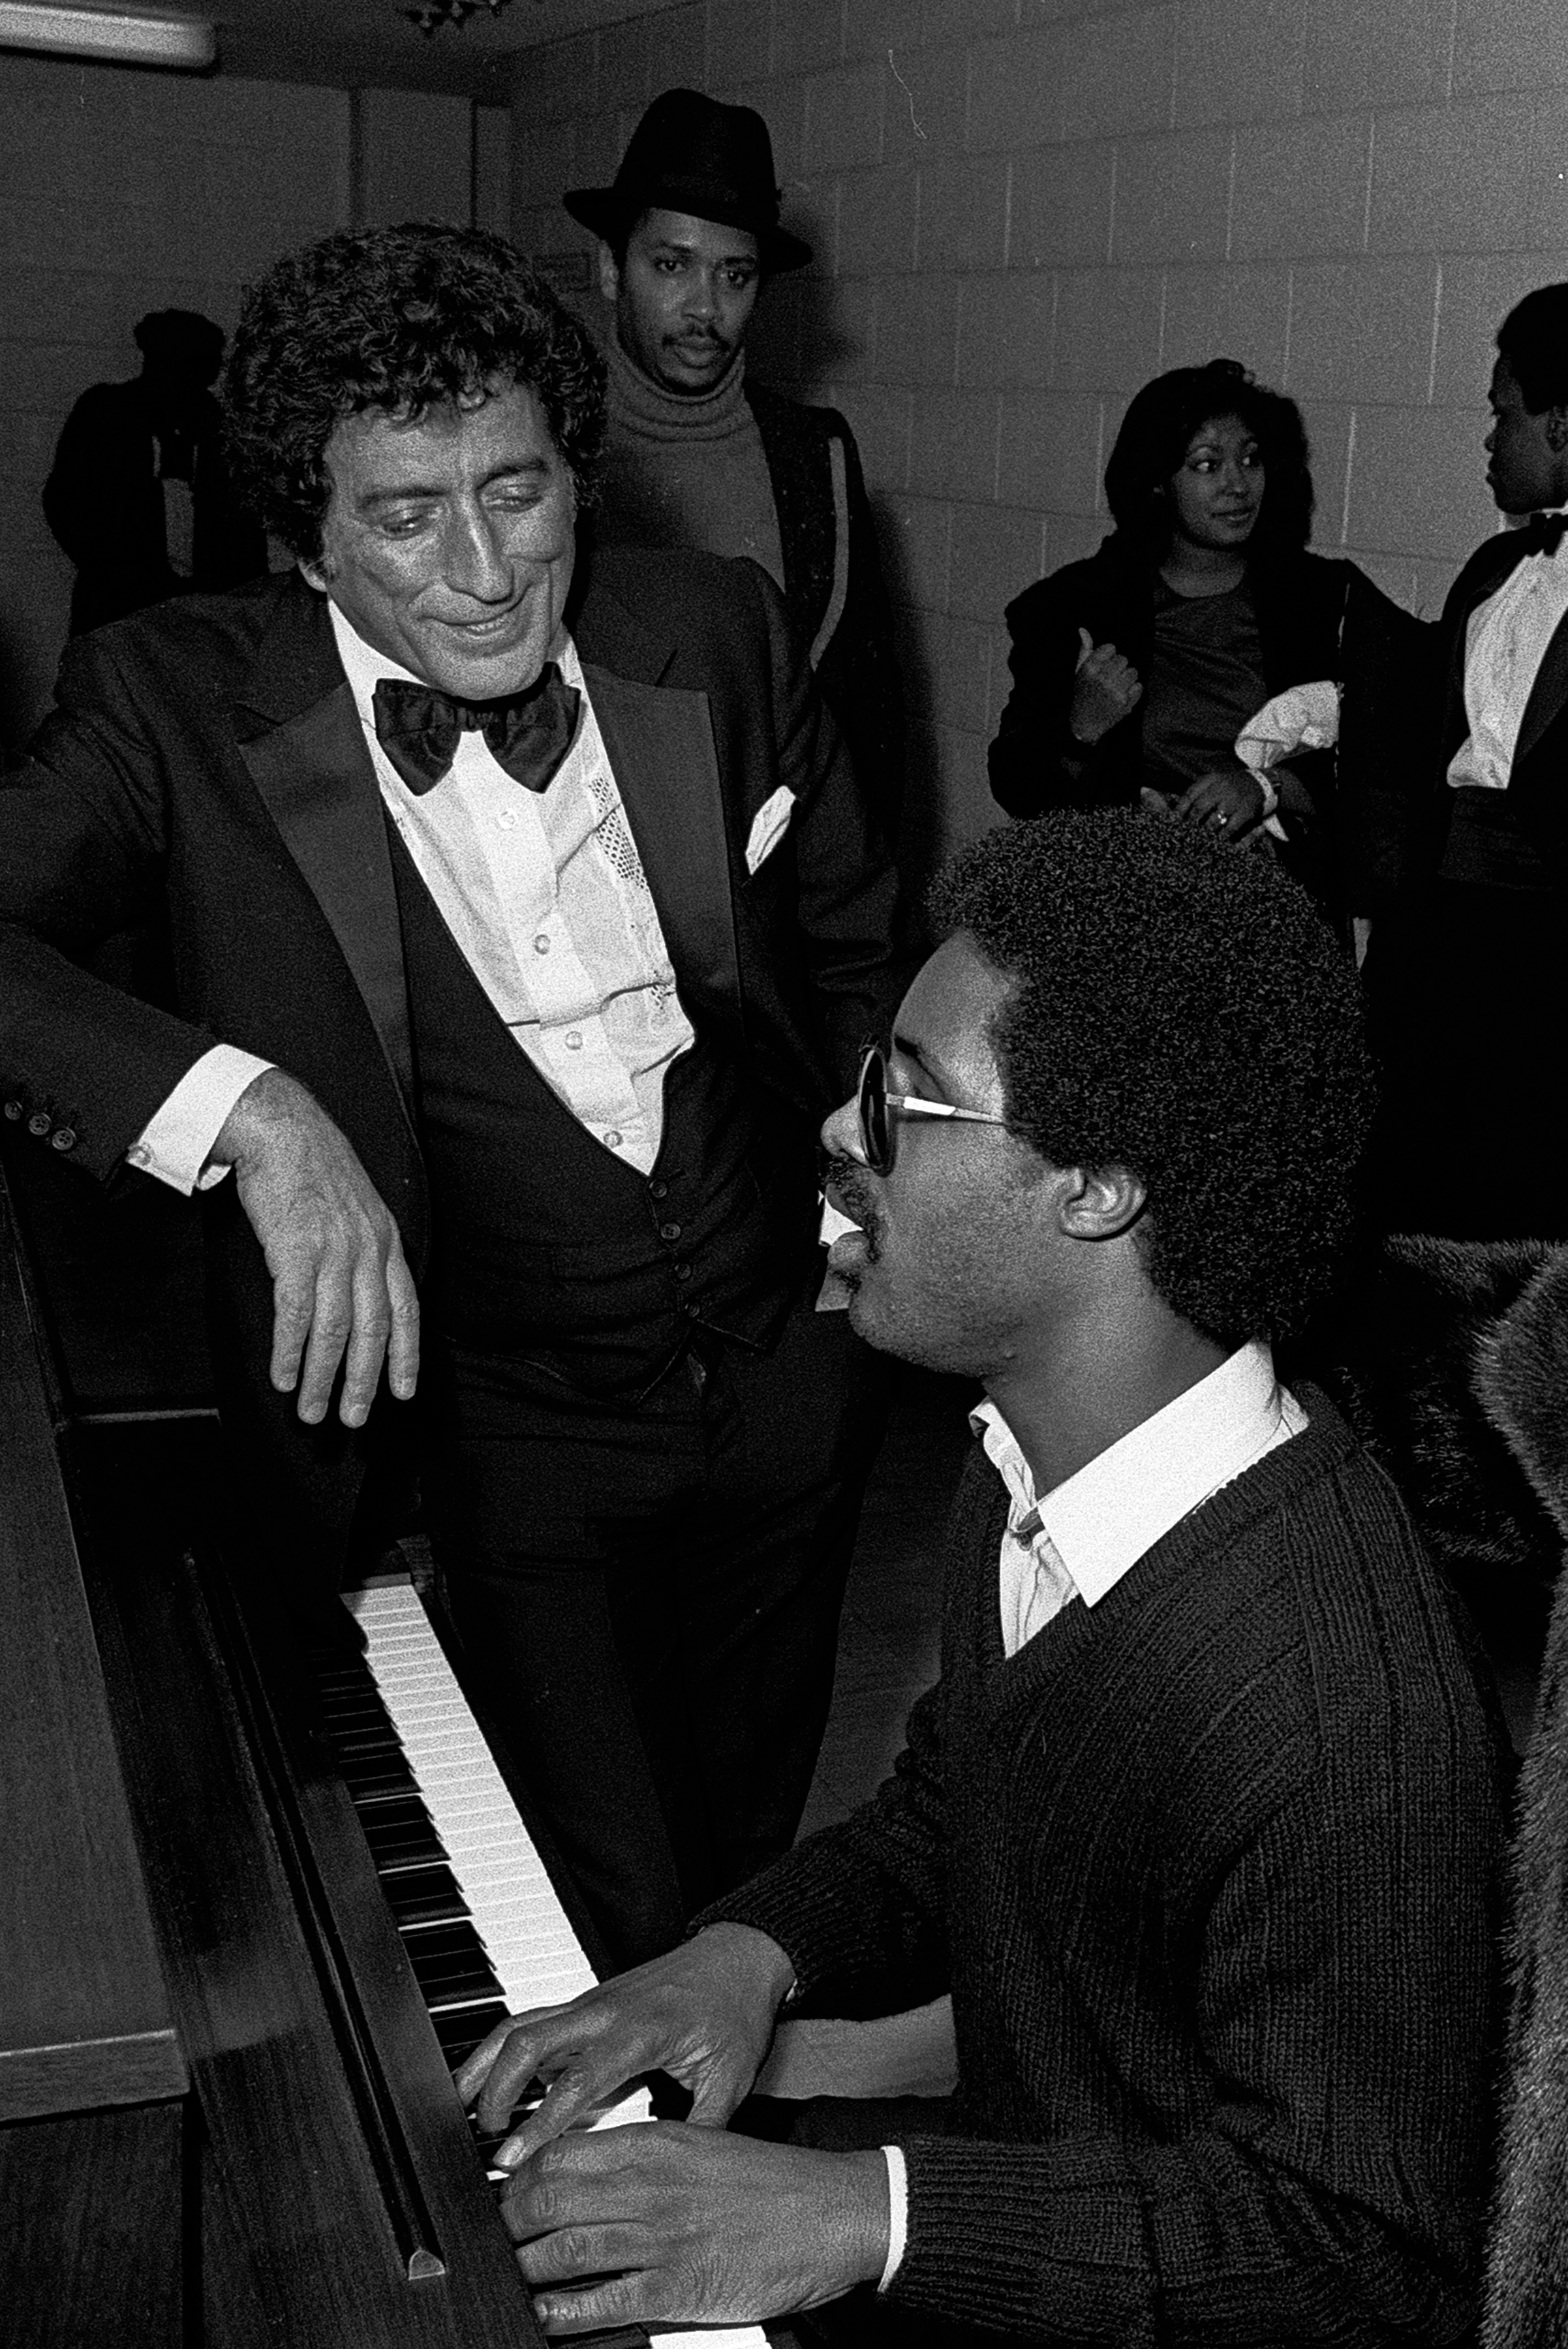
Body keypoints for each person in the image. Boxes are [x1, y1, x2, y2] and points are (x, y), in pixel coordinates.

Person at [0, 223, 900, 1971]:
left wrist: (862, 1201)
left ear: (575, 474)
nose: (484, 570)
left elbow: (851, 947)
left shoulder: (717, 629)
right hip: (509, 1433)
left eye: (517, 492)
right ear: (307, 540)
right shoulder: (174, 701)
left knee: (750, 1864)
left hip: (790, 1369)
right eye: (404, 518)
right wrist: (248, 1110)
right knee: (605, 1908)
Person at [457, 811, 1505, 2347]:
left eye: (907, 1093)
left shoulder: (1339, 1712)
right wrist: (744, 1957)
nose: (841, 1126)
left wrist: (864, 2214)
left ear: (1096, 1188)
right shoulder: (1028, 1458)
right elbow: (962, 1803)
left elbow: (1361, 2255)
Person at [565, 88, 904, 835]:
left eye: (735, 276)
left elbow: (867, 716)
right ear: (612, 269)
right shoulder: (548, 442)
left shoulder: (814, 452)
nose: (704, 308)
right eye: (671, 265)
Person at [989, 360, 1419, 926]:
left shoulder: (1326, 599)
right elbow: (1017, 786)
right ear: (1157, 480)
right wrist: (1081, 731)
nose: (1237, 485)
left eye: (1251, 459)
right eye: (1207, 465)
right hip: (1124, 909)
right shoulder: (1080, 607)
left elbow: (1404, 751)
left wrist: (1267, 789)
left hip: (1277, 912)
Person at [1362, 284, 1568, 1242]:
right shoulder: (1492, 571)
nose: (1490, 440)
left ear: (1561, 423)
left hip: (1545, 963)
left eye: (1503, 412)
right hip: (1437, 950)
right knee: (1409, 1199)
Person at [42, 307, 266, 637]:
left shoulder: (222, 427)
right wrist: (110, 570)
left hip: (203, 608)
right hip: (119, 604)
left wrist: (245, 606)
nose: (211, 375)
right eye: (198, 365)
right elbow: (63, 500)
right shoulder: (106, 413)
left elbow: (246, 528)